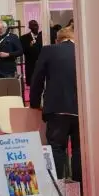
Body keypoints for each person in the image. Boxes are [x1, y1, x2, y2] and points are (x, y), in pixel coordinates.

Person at [29, 25, 80, 182]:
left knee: (56, 148)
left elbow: (37, 78)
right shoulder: (84, 50)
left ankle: (58, 187)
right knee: (79, 149)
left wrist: (34, 103)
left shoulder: (49, 50)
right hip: (81, 109)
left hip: (56, 108)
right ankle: (80, 187)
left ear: (58, 39)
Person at [20, 20, 43, 85]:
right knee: (32, 84)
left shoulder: (42, 36)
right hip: (30, 64)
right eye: (33, 25)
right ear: (29, 27)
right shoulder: (24, 38)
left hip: (41, 63)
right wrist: (30, 46)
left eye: (36, 25)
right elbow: (22, 51)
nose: (36, 27)